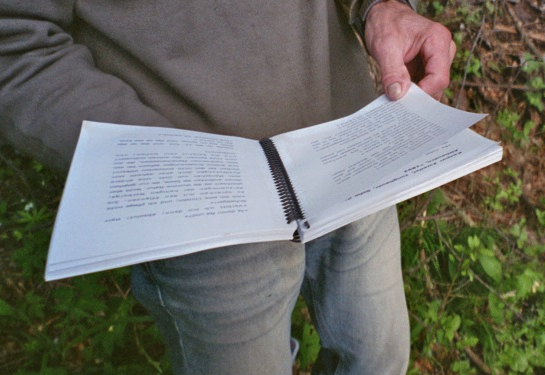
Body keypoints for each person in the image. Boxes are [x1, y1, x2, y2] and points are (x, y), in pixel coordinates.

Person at [0, 1, 455, 373]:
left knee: (380, 359)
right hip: (205, 219)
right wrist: (155, 161)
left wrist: (383, 7)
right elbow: (16, 45)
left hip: (352, 147)